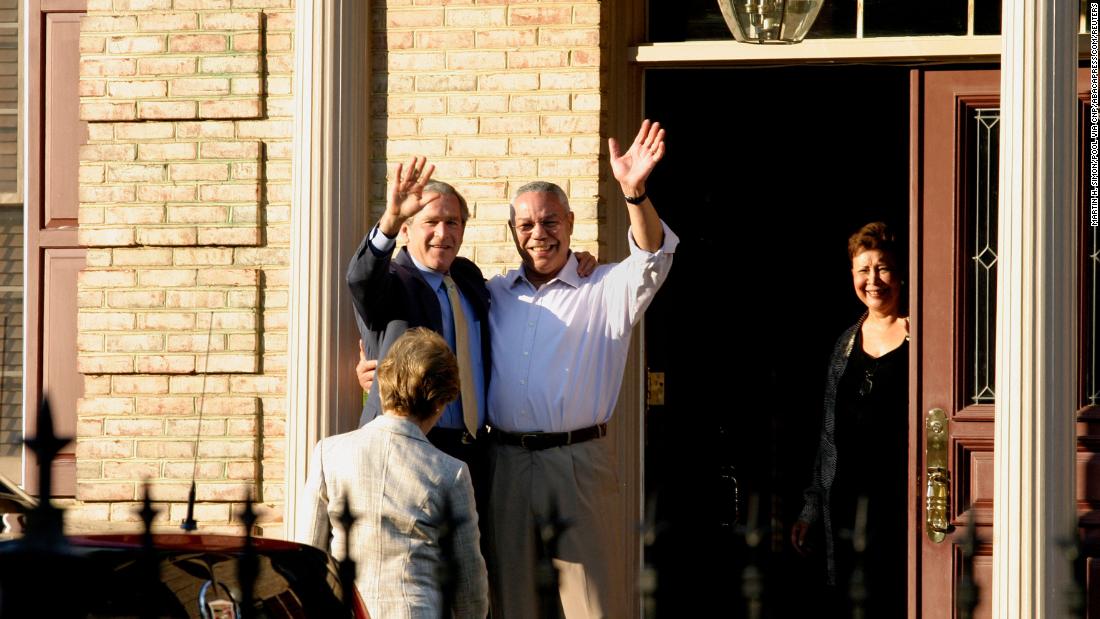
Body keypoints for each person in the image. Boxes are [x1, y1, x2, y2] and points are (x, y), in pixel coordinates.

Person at [484, 119, 678, 618]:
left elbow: (654, 256)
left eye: (550, 221)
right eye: (526, 225)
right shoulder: (493, 293)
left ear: (570, 222)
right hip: (504, 462)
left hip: (577, 462)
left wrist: (634, 195)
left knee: (592, 605)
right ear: (512, 232)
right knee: (512, 603)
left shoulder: (607, 287)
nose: (538, 234)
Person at [298, 328, 489, 619]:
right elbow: (468, 582)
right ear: (440, 402)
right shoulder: (451, 473)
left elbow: (308, 556)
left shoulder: (329, 453)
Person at [791, 222, 909, 615]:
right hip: (845, 499)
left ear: (902, 273)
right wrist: (811, 507)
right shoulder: (845, 343)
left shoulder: (924, 338)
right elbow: (827, 433)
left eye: (883, 268)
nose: (873, 280)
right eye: (863, 270)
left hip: (902, 499)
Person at [347, 160, 492, 472]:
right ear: (406, 229)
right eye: (431, 222)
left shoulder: (468, 278)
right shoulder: (390, 283)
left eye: (453, 223)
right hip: (404, 451)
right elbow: (359, 278)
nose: (443, 233)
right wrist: (387, 221)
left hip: (473, 453)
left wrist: (573, 262)